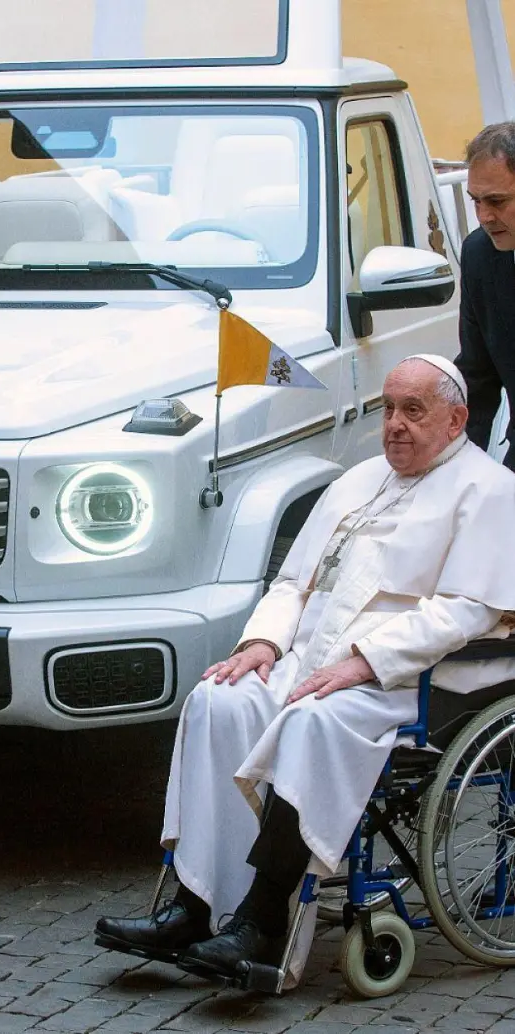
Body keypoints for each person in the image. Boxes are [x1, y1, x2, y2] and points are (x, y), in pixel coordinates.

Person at [95, 355, 515, 987]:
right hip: (313, 662)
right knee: (221, 697)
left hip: (414, 684)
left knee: (315, 723)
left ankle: (263, 922)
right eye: (388, 409)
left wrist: (365, 661)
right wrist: (263, 642)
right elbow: (295, 579)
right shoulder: (358, 479)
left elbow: (465, 612)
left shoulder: (489, 490)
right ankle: (194, 903)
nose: (395, 425)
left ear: (456, 419)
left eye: (414, 410)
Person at [456, 122, 515, 469]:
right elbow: (477, 379)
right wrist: (453, 471)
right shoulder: (480, 254)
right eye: (476, 201)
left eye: (496, 201)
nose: (483, 217)